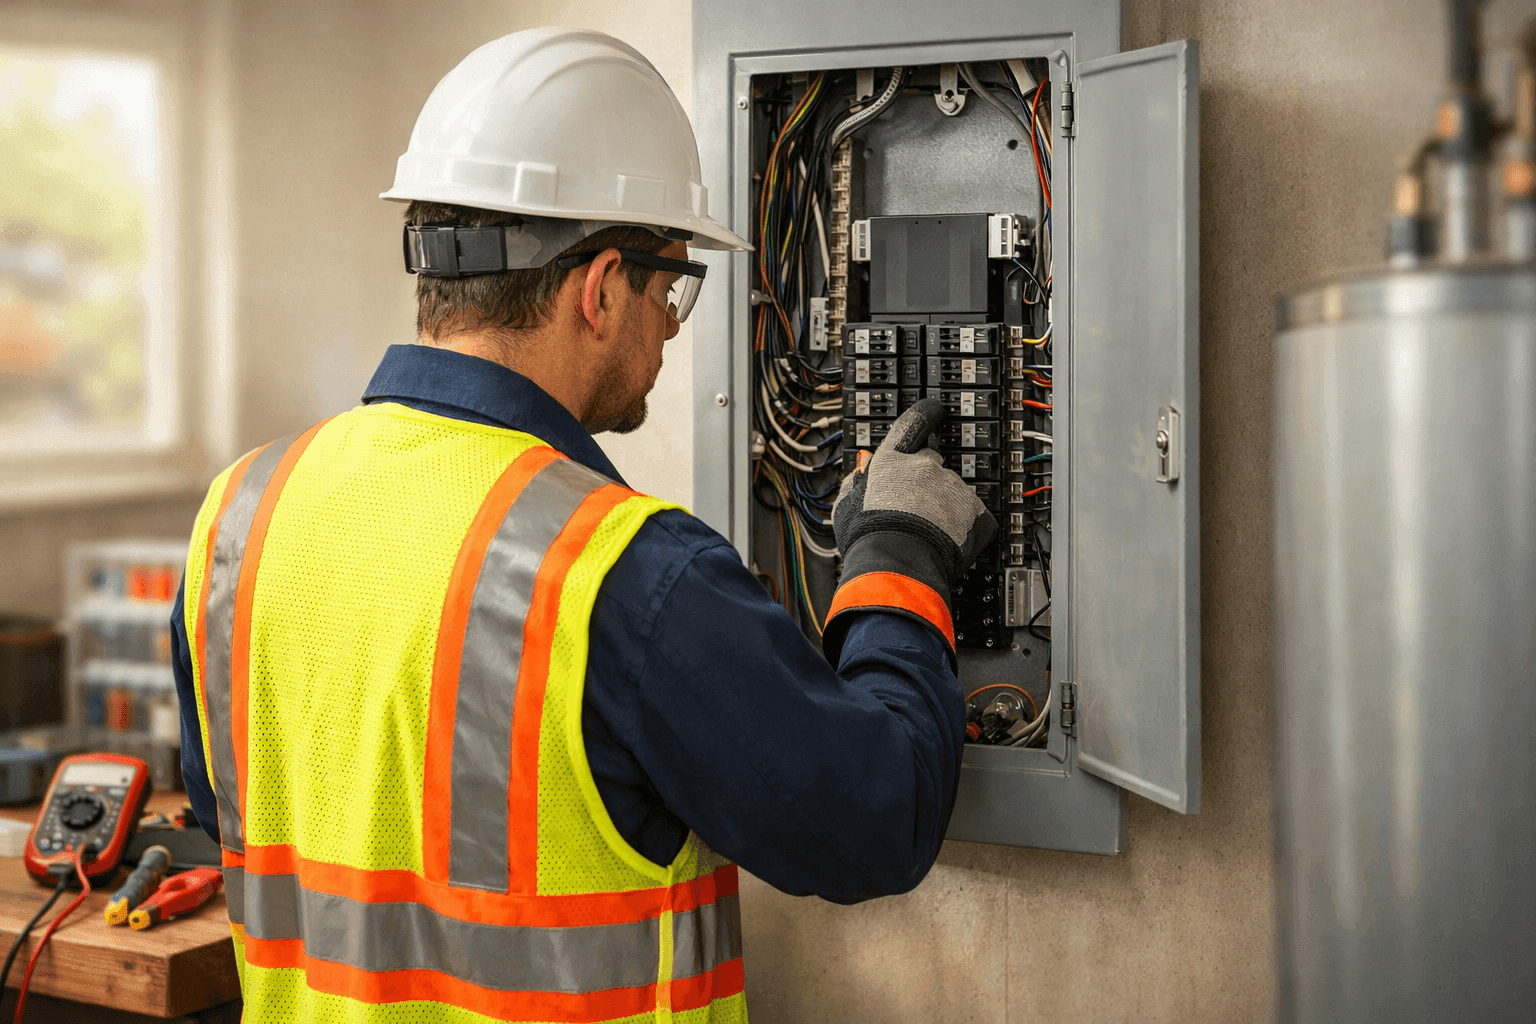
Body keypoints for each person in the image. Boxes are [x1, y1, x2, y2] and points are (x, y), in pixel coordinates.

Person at [171, 26, 995, 1023]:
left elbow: (235, 820)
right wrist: (899, 552)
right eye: (670, 287)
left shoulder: (240, 517)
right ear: (600, 289)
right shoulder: (627, 576)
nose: (672, 326)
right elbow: (878, 818)